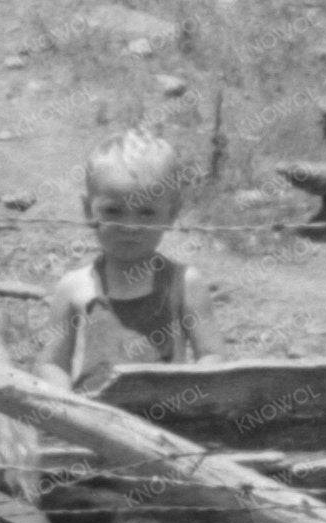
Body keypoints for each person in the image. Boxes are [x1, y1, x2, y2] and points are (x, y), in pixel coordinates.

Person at [40, 128, 205, 387]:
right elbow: (53, 363)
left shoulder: (184, 283)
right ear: (88, 210)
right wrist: (64, 403)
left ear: (172, 213)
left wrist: (192, 395)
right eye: (113, 210)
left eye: (147, 213)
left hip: (167, 420)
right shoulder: (74, 287)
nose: (129, 226)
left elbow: (212, 355)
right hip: (90, 419)